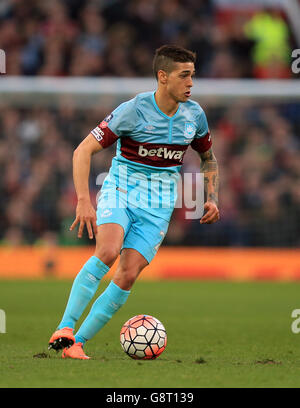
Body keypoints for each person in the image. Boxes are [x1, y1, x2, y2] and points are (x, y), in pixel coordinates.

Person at [48, 44, 220, 359]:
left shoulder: (194, 115)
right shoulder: (133, 110)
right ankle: (65, 326)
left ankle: (76, 345)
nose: (191, 83)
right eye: (184, 76)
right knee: (108, 250)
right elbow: (82, 150)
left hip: (159, 207)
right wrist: (83, 200)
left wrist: (211, 198)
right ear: (163, 76)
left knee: (127, 274)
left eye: (192, 76)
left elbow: (208, 157)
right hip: (122, 191)